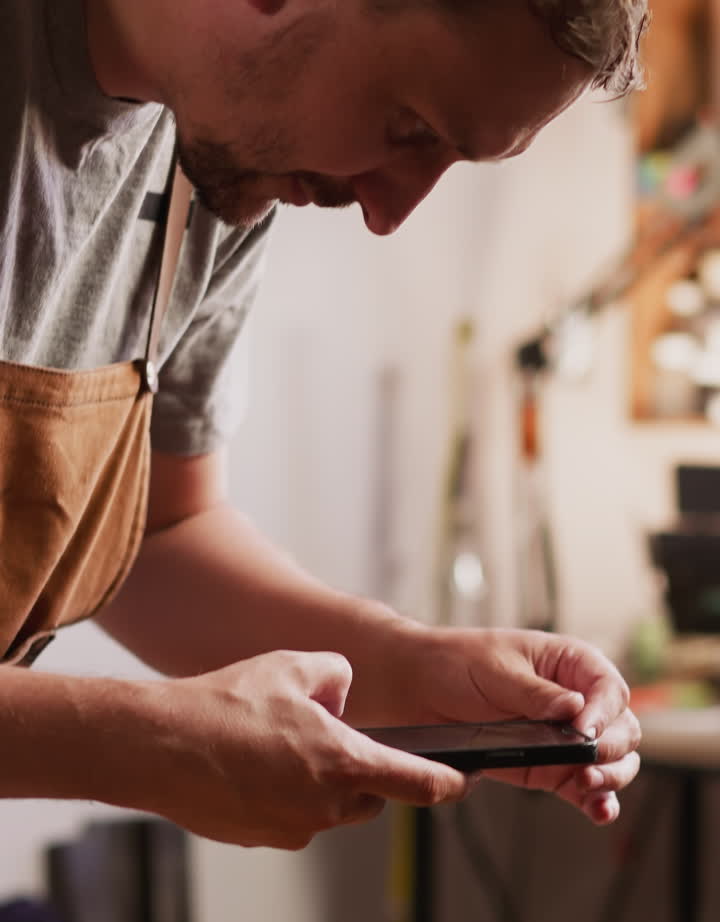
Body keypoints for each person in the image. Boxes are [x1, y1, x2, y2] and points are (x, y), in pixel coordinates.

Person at [0, 0, 645, 850]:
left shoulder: (209, 153)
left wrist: (412, 669)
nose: (389, 211)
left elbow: (160, 532)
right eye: (409, 125)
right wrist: (137, 743)